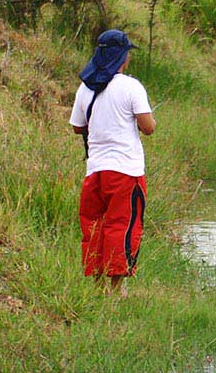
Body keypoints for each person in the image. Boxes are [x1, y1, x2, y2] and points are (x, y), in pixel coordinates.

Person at [69, 29, 156, 295]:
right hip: (126, 171)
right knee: (122, 225)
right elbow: (148, 127)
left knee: (94, 225)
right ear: (123, 56)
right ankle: (116, 291)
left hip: (95, 170)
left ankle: (97, 288)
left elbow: (77, 127)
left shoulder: (86, 88)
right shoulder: (131, 87)